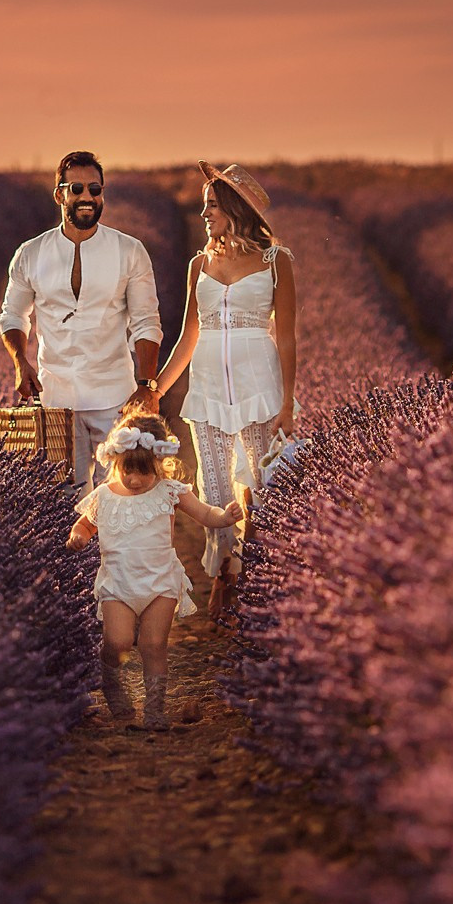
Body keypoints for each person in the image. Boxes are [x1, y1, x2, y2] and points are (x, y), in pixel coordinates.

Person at [154, 161, 298, 616]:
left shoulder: (277, 261)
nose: (204, 214)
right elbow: (188, 337)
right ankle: (224, 575)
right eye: (203, 207)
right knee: (214, 489)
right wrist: (155, 391)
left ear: (234, 208)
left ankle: (256, 573)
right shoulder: (199, 263)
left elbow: (289, 335)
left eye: (211, 206)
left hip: (260, 382)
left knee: (259, 485)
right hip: (210, 386)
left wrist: (288, 400)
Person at [66, 413, 244, 729]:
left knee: (153, 645)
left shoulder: (170, 491)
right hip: (118, 583)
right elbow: (85, 523)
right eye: (126, 470)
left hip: (160, 581)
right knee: (118, 641)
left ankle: (154, 709)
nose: (133, 479)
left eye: (143, 472)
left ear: (159, 463)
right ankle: (110, 676)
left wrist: (225, 517)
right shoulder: (105, 495)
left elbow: (205, 514)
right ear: (115, 460)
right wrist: (78, 537)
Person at [0, 151, 162, 498]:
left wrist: (147, 384)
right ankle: (78, 556)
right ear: (60, 195)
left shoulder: (130, 251)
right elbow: (13, 315)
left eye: (95, 189)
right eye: (77, 189)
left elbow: (146, 322)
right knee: (64, 501)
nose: (87, 198)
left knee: (121, 495)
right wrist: (20, 362)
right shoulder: (31, 253)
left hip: (115, 398)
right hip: (56, 397)